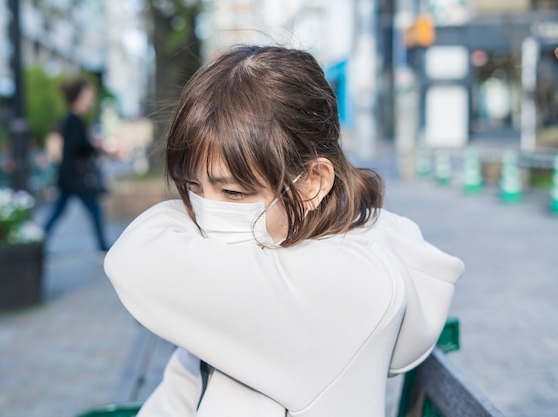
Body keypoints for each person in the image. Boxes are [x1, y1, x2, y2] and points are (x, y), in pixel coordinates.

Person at [104, 46, 464, 417]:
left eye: (232, 192)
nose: (206, 212)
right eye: (193, 187)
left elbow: (133, 258)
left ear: (312, 182)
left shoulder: (336, 287)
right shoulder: (290, 252)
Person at [43, 79, 110, 252]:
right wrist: (95, 146)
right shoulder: (74, 120)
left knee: (59, 212)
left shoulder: (75, 119)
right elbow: (77, 147)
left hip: (70, 178)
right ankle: (103, 247)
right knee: (93, 210)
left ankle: (39, 242)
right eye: (88, 95)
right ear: (79, 97)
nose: (91, 99)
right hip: (76, 178)